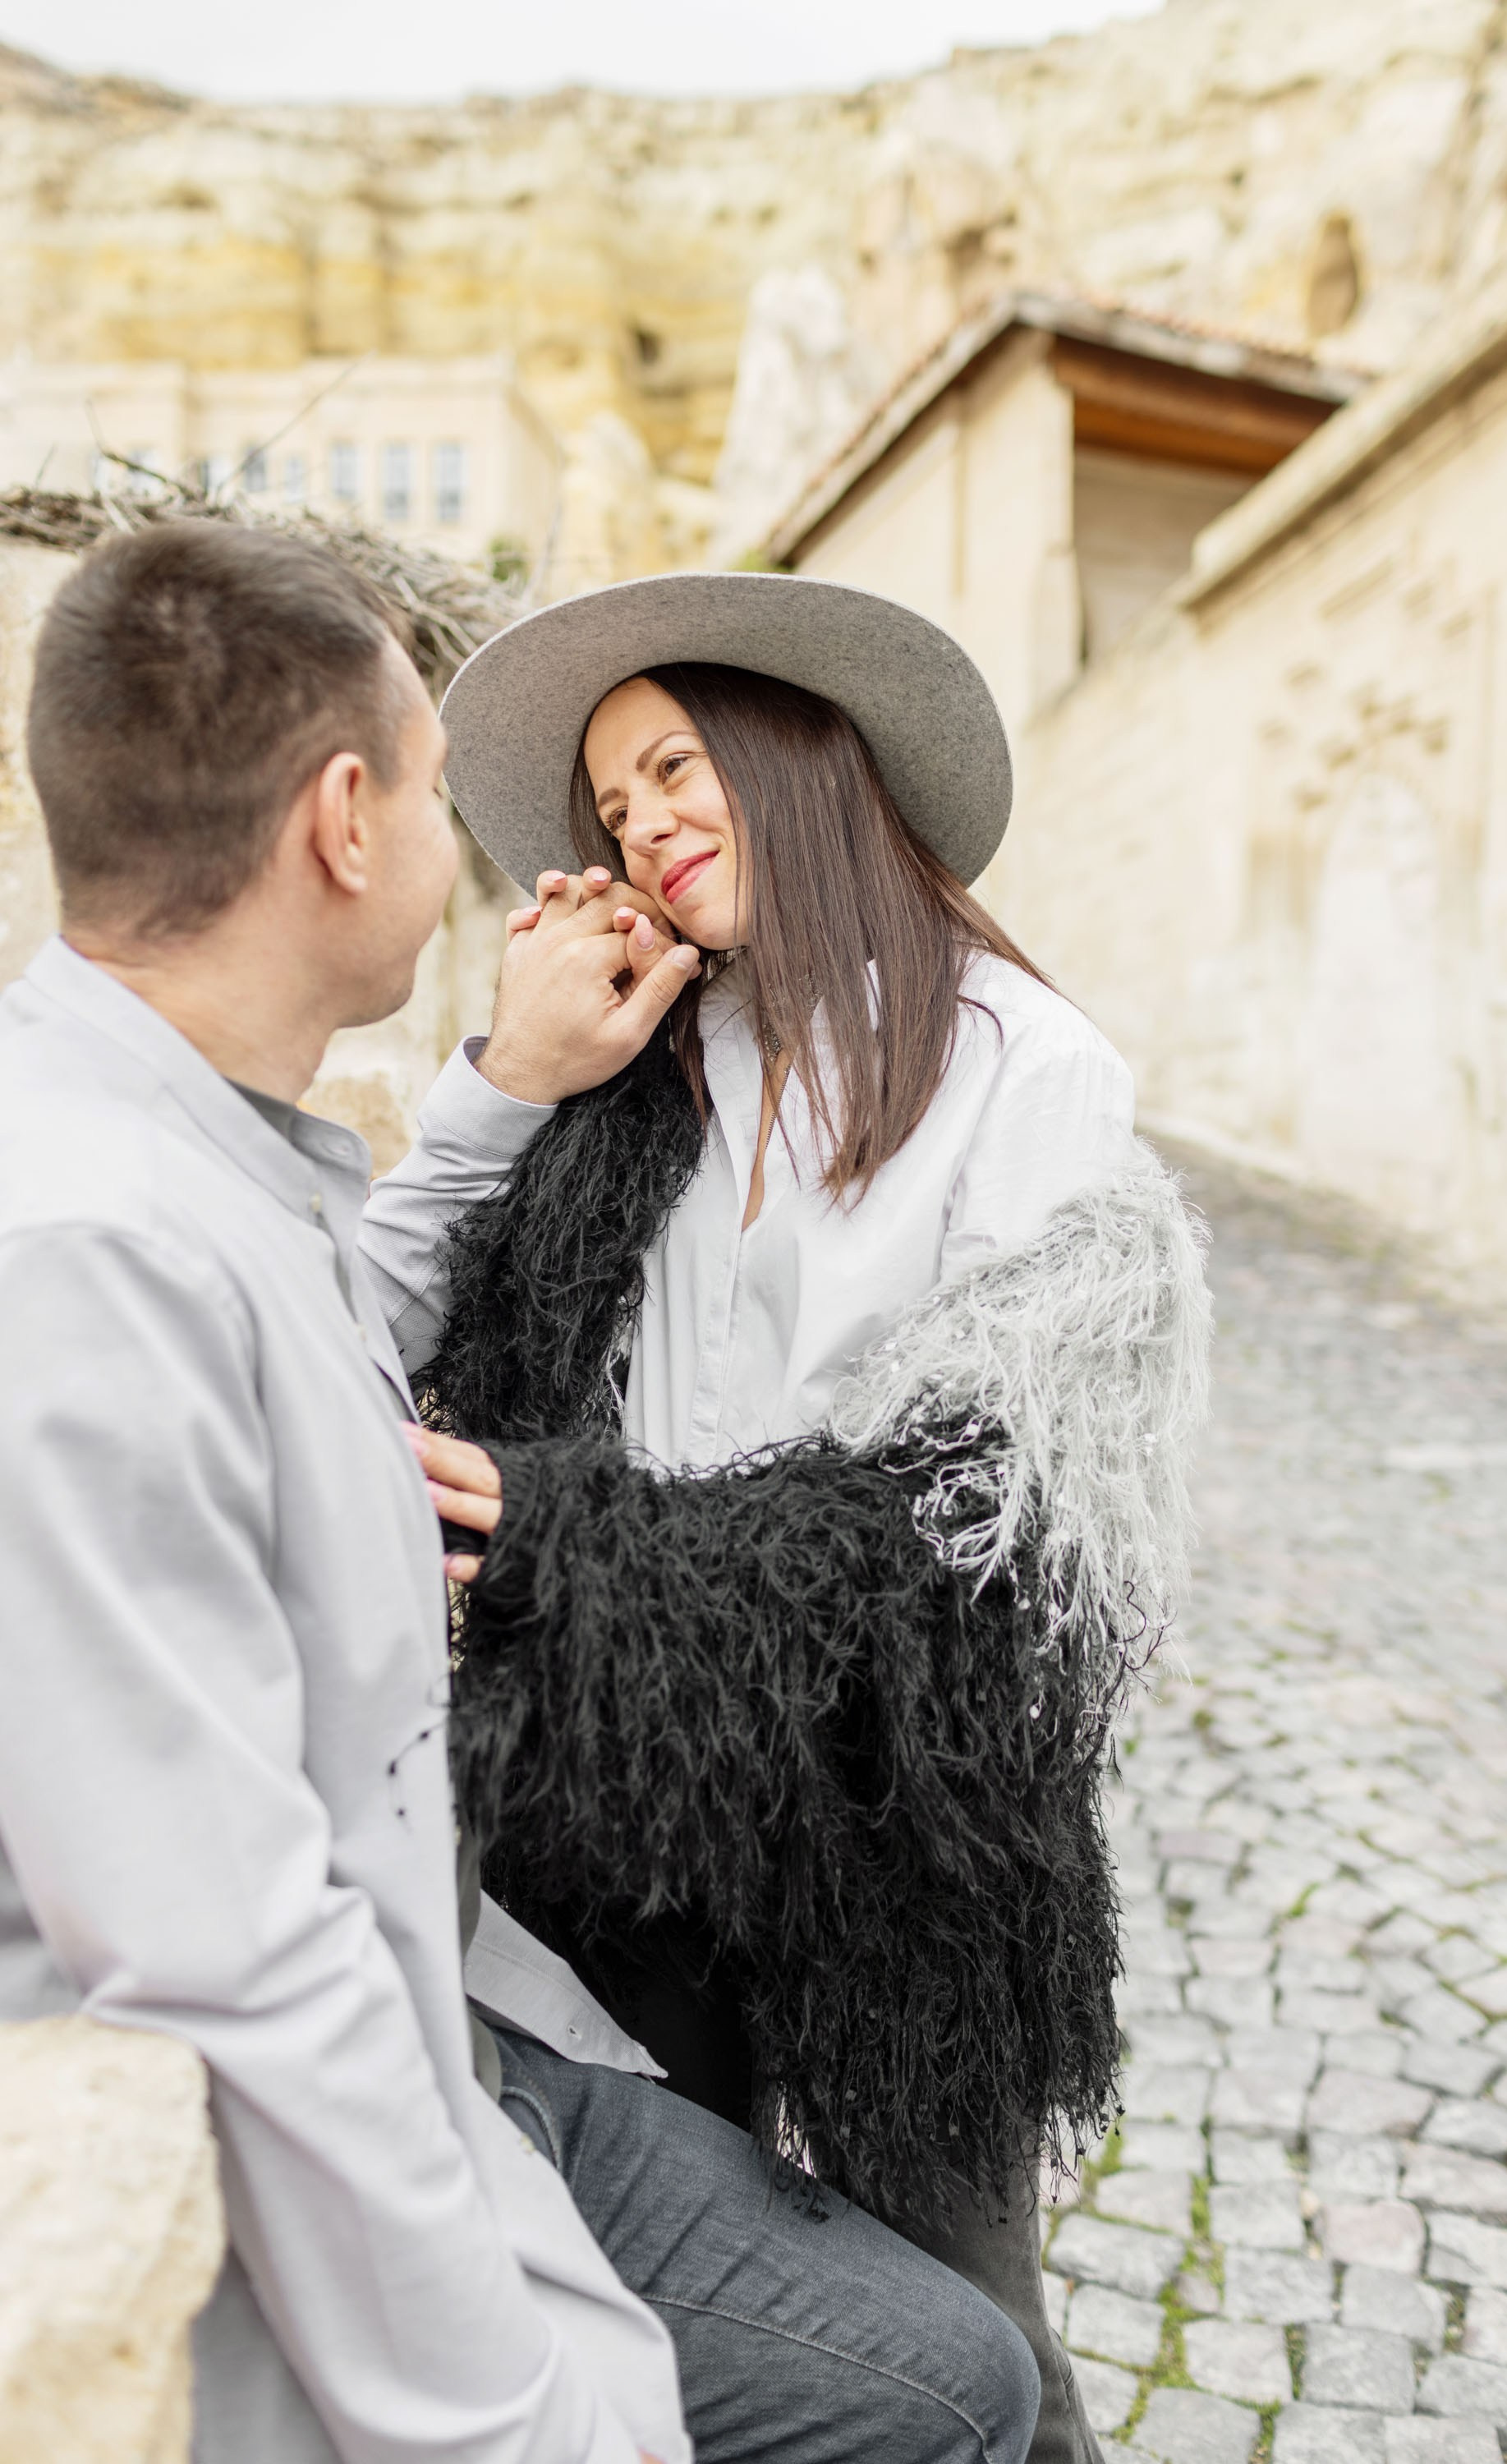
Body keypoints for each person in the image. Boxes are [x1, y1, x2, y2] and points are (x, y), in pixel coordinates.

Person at [0, 522, 1041, 2464]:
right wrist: (525, 2421)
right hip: (371, 2111)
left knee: (974, 2354)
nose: (570, 843)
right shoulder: (87, 1249)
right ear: (339, 823)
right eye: (429, 792)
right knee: (946, 2385)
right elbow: (228, 1958)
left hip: (574, 1977)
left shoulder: (207, 1166)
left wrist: (501, 1087)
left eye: (673, 770)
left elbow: (335, 1344)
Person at [388, 572, 1214, 2464]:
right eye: (613, 808)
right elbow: (397, 1323)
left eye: (675, 765)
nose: (646, 824)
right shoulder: (647, 1065)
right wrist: (519, 1076)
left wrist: (575, 1543)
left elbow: (967, 1532)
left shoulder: (1023, 1070)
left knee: (974, 2334)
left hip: (894, 1840)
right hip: (632, 1813)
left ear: (798, 751)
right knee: (735, 2350)